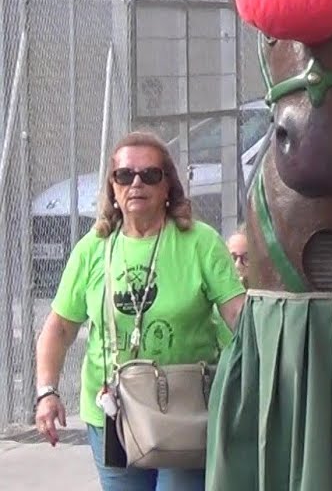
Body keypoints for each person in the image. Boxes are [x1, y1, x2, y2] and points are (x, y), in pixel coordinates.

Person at [33, 131, 246, 490]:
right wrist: (47, 392)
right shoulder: (92, 250)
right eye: (124, 175)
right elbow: (59, 328)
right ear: (112, 189)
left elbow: (239, 316)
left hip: (186, 407)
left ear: (168, 187)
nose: (136, 183)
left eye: (150, 175)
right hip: (113, 414)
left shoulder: (200, 242)